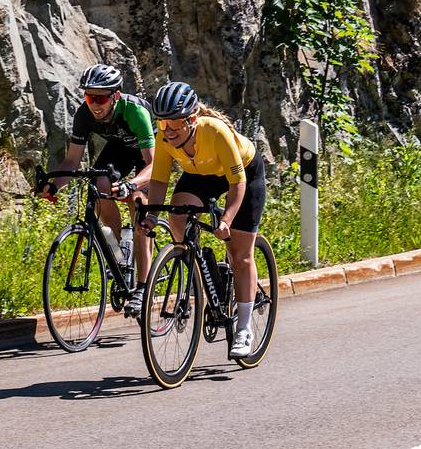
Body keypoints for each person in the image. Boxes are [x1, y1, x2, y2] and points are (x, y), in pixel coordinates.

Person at [144, 81, 267, 357]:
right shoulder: (165, 138)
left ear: (191, 119)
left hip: (243, 175)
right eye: (162, 124)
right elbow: (159, 180)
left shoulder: (215, 132)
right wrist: (151, 216)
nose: (168, 131)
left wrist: (226, 219)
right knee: (177, 216)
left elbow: (238, 184)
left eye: (174, 124)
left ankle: (244, 329)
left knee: (240, 253)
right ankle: (202, 278)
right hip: (202, 176)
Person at [41, 64, 155, 313]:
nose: (94, 104)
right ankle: (119, 256)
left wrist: (131, 185)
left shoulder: (135, 112)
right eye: (89, 97)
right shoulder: (84, 115)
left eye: (100, 98)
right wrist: (53, 186)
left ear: (115, 96)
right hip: (121, 149)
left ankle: (143, 287)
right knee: (99, 184)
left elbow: (153, 164)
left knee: (138, 204)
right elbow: (72, 161)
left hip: (149, 154)